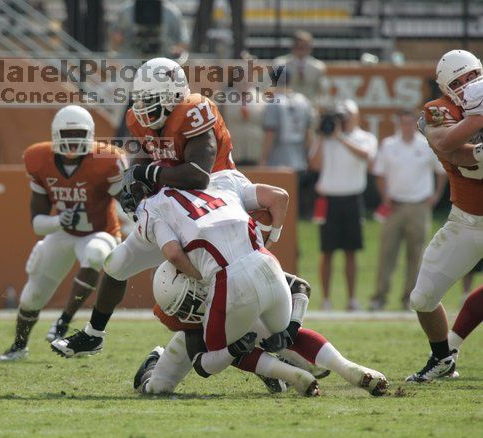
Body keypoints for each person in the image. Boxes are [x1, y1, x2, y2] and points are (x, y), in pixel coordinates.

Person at [51, 57, 243, 358]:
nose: (142, 108)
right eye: (139, 100)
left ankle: (279, 311)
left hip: (214, 207)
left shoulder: (193, 110)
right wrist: (135, 186)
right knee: (116, 264)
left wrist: (148, 175)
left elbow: (198, 175)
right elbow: (142, 162)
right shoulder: (138, 119)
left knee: (233, 278)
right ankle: (94, 334)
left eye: (151, 101)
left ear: (174, 96)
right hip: (172, 209)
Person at [123, 169, 304, 386]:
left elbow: (299, 287)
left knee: (257, 328)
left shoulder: (186, 204)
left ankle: (273, 366)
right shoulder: (173, 209)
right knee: (159, 384)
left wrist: (289, 332)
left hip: (225, 286)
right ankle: (155, 363)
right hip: (190, 286)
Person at [136, 264, 388, 396]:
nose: (188, 311)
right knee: (157, 389)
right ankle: (153, 363)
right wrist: (234, 350)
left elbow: (299, 285)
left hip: (241, 314)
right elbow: (204, 365)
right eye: (182, 307)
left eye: (189, 302)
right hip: (206, 348)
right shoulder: (187, 322)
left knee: (270, 328)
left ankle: (345, 367)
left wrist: (291, 326)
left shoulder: (222, 271)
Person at [0, 106, 126, 361]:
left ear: (90, 135)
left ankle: (63, 322)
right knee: (33, 294)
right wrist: (58, 222)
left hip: (100, 231)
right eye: (67, 134)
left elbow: (125, 199)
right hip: (63, 232)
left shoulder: (105, 160)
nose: (73, 140)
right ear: (56, 134)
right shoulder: (39, 158)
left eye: (79, 134)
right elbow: (37, 223)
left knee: (96, 254)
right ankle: (19, 345)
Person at [405, 49, 483, 381]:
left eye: (471, 76)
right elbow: (452, 149)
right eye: (459, 81)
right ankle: (442, 358)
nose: (468, 85)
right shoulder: (436, 111)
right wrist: (477, 119)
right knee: (422, 298)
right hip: (467, 220)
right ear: (447, 88)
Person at [369, 110, 447, 311]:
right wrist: (385, 196)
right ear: (399, 124)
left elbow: (441, 172)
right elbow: (379, 173)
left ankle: (409, 298)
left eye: (410, 123)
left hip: (419, 205)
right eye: (403, 123)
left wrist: (436, 196)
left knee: (416, 254)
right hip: (394, 206)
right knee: (387, 253)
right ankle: (380, 296)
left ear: (416, 125)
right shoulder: (389, 145)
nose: (407, 127)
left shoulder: (426, 145)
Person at [309, 100, 378, 310]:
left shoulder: (365, 137)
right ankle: (327, 299)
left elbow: (367, 156)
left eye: (347, 114)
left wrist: (340, 138)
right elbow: (314, 165)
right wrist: (324, 135)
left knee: (351, 250)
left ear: (356, 116)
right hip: (328, 200)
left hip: (352, 199)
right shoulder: (325, 139)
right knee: (327, 251)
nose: (344, 118)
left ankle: (351, 299)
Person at [260, 71, 316, 218]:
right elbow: (308, 133)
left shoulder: (274, 103)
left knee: (280, 202)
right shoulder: (303, 101)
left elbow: (270, 134)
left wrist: (263, 159)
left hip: (278, 159)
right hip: (299, 158)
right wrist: (311, 155)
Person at [273, 31, 328, 106]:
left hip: (310, 107)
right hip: (286, 107)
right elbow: (273, 88)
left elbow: (322, 91)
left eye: (305, 46)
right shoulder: (280, 64)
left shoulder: (318, 67)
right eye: (299, 45)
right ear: (293, 46)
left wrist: (319, 106)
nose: (301, 48)